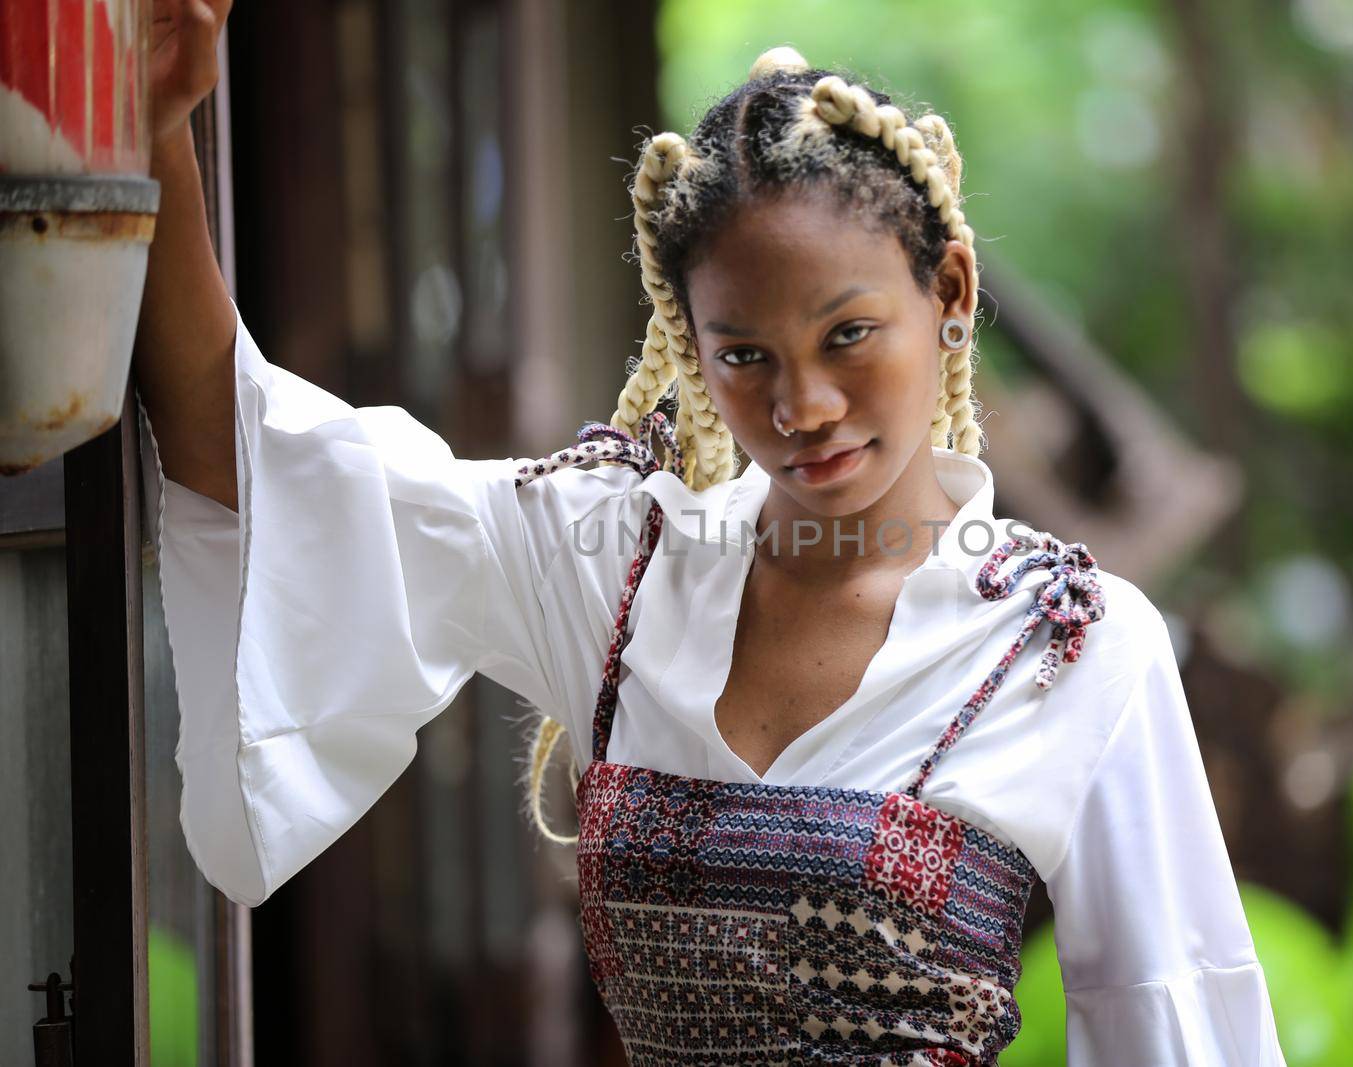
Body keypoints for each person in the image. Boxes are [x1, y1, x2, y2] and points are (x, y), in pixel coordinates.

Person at [135, 4, 1286, 1063]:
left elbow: (1174, 1020)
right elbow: (240, 452)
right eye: (744, 355)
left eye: (847, 334)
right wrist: (156, 126)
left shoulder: (1068, 641)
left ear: (951, 289)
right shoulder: (613, 567)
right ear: (691, 344)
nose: (803, 407)